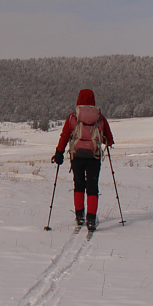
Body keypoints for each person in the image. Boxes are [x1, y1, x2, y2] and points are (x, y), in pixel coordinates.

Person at [51, 89, 114, 231]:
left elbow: (65, 136)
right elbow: (108, 139)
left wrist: (59, 153)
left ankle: (79, 216)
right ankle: (91, 219)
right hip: (94, 157)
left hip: (77, 156)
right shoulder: (100, 118)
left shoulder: (73, 117)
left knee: (78, 184)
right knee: (92, 186)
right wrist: (108, 142)